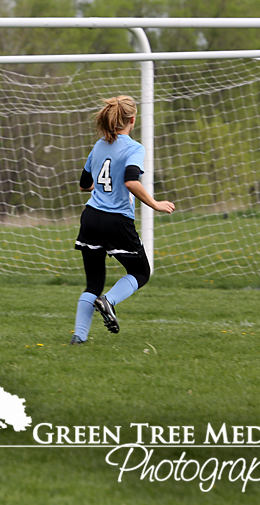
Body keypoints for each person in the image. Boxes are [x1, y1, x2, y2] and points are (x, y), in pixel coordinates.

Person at [70, 96, 175, 345]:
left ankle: (78, 337)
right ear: (132, 120)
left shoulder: (98, 146)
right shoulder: (134, 148)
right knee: (140, 272)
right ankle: (109, 301)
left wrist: (102, 188)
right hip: (116, 221)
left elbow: (84, 185)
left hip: (91, 218)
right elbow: (130, 180)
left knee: (93, 283)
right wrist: (155, 204)